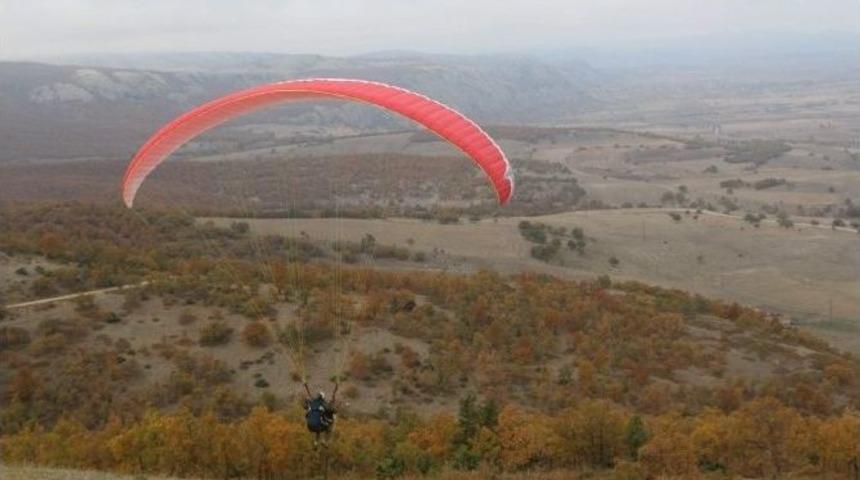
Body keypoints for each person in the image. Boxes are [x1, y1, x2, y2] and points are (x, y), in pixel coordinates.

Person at [303, 381, 338, 445]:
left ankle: (316, 443)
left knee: (318, 428)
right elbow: (332, 410)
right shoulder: (323, 404)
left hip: (309, 426)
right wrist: (335, 409)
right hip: (317, 425)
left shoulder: (312, 402)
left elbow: (305, 406)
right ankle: (325, 441)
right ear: (323, 398)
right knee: (328, 428)